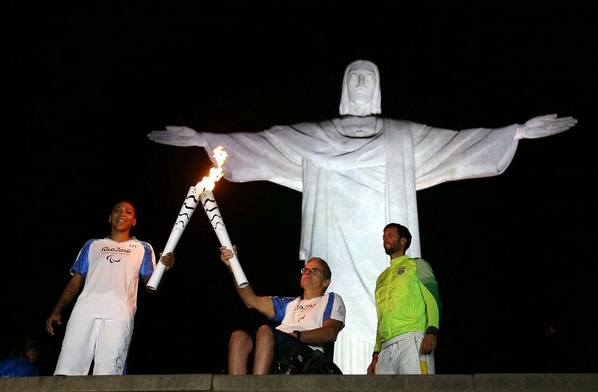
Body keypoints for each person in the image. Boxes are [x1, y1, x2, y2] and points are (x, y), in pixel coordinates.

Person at [147, 59, 577, 374]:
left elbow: (458, 146)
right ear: (342, 86)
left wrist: (515, 132)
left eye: (367, 77)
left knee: (384, 313)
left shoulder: (401, 135)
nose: (359, 82)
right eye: (353, 76)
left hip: (379, 241)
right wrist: (205, 140)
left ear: (377, 88)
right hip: (331, 241)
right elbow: (263, 145)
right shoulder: (317, 136)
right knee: (330, 314)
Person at [45, 200, 175, 376]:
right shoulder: (92, 245)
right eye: (117, 210)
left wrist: (163, 269)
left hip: (119, 315)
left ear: (134, 221)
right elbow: (75, 282)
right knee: (66, 373)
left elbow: (150, 288)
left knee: (108, 376)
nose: (122, 214)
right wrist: (57, 309)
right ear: (109, 217)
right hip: (84, 313)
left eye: (128, 212)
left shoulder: (142, 248)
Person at [219, 245, 345, 375]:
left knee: (265, 330)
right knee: (238, 337)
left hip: (305, 350)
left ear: (326, 282)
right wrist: (234, 267)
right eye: (305, 270)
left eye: (314, 271)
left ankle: (258, 387)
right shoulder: (289, 303)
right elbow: (251, 301)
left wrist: (296, 335)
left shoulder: (330, 299)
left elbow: (330, 333)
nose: (307, 273)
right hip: (279, 341)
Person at [367, 223, 441, 375]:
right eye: (383, 236)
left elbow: (433, 299)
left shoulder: (417, 264)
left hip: (412, 341)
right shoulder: (382, 277)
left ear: (403, 240)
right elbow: (382, 317)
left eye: (390, 235)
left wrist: (432, 331)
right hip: (386, 349)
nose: (385, 239)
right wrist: (376, 353)